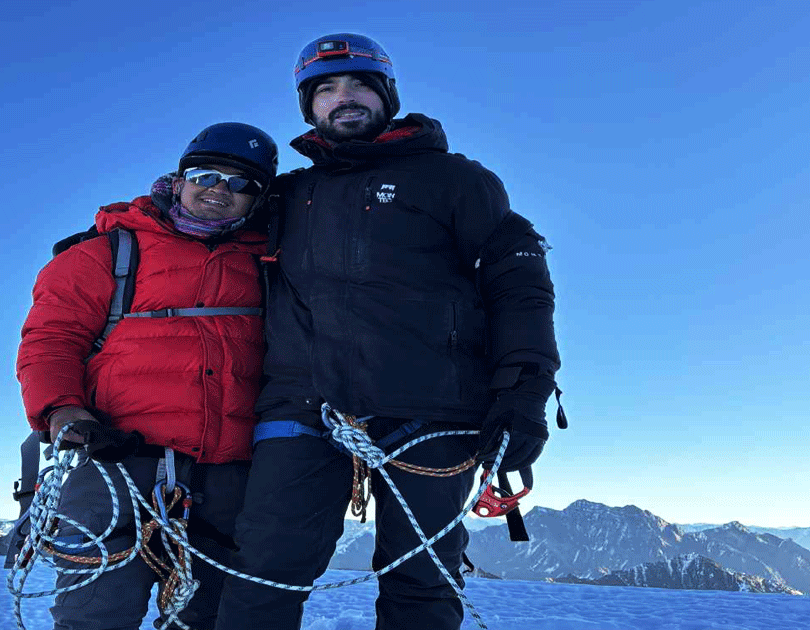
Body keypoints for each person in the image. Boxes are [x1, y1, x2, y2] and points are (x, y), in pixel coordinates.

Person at [214, 34, 562, 630]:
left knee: (421, 586)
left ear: (387, 95)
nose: (342, 97)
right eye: (324, 88)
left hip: (433, 409)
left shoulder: (457, 181)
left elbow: (520, 288)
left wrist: (524, 393)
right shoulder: (289, 196)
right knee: (260, 578)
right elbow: (203, 215)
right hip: (302, 408)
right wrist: (117, 234)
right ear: (308, 107)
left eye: (358, 84)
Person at [16, 122, 277, 630]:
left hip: (232, 473)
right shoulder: (105, 254)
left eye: (240, 184)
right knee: (94, 617)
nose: (219, 190)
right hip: (114, 459)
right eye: (206, 175)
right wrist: (61, 410)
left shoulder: (271, 263)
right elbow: (51, 338)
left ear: (257, 200)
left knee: (212, 618)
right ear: (178, 181)